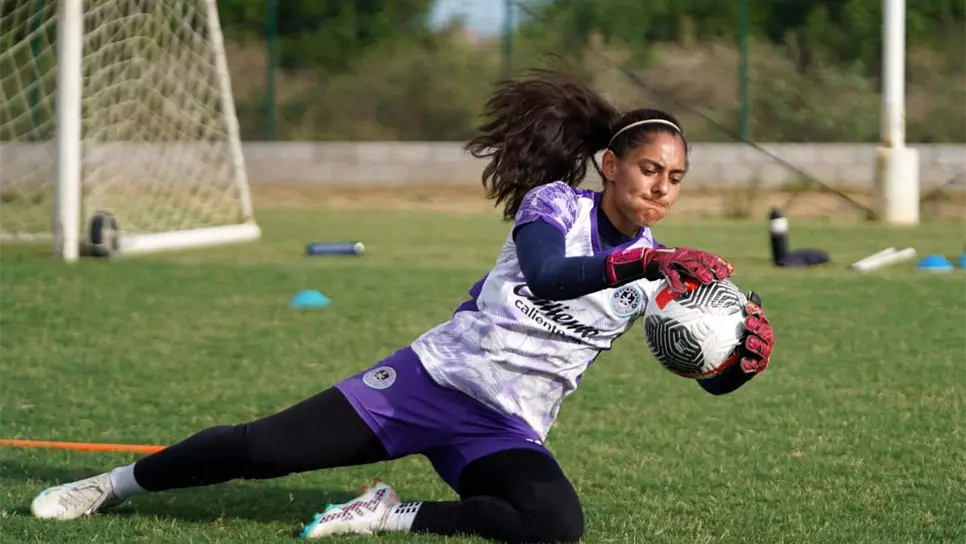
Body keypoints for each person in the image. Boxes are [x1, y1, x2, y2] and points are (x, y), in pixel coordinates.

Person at [29, 69, 774, 543]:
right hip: (428, 383)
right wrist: (645, 260)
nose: (662, 188)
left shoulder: (660, 273)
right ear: (610, 165)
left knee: (553, 527)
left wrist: (739, 359)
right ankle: (113, 486)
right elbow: (550, 275)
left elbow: (700, 370)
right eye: (649, 169)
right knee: (260, 450)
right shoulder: (555, 206)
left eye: (676, 178)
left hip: (503, 426)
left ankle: (387, 512)